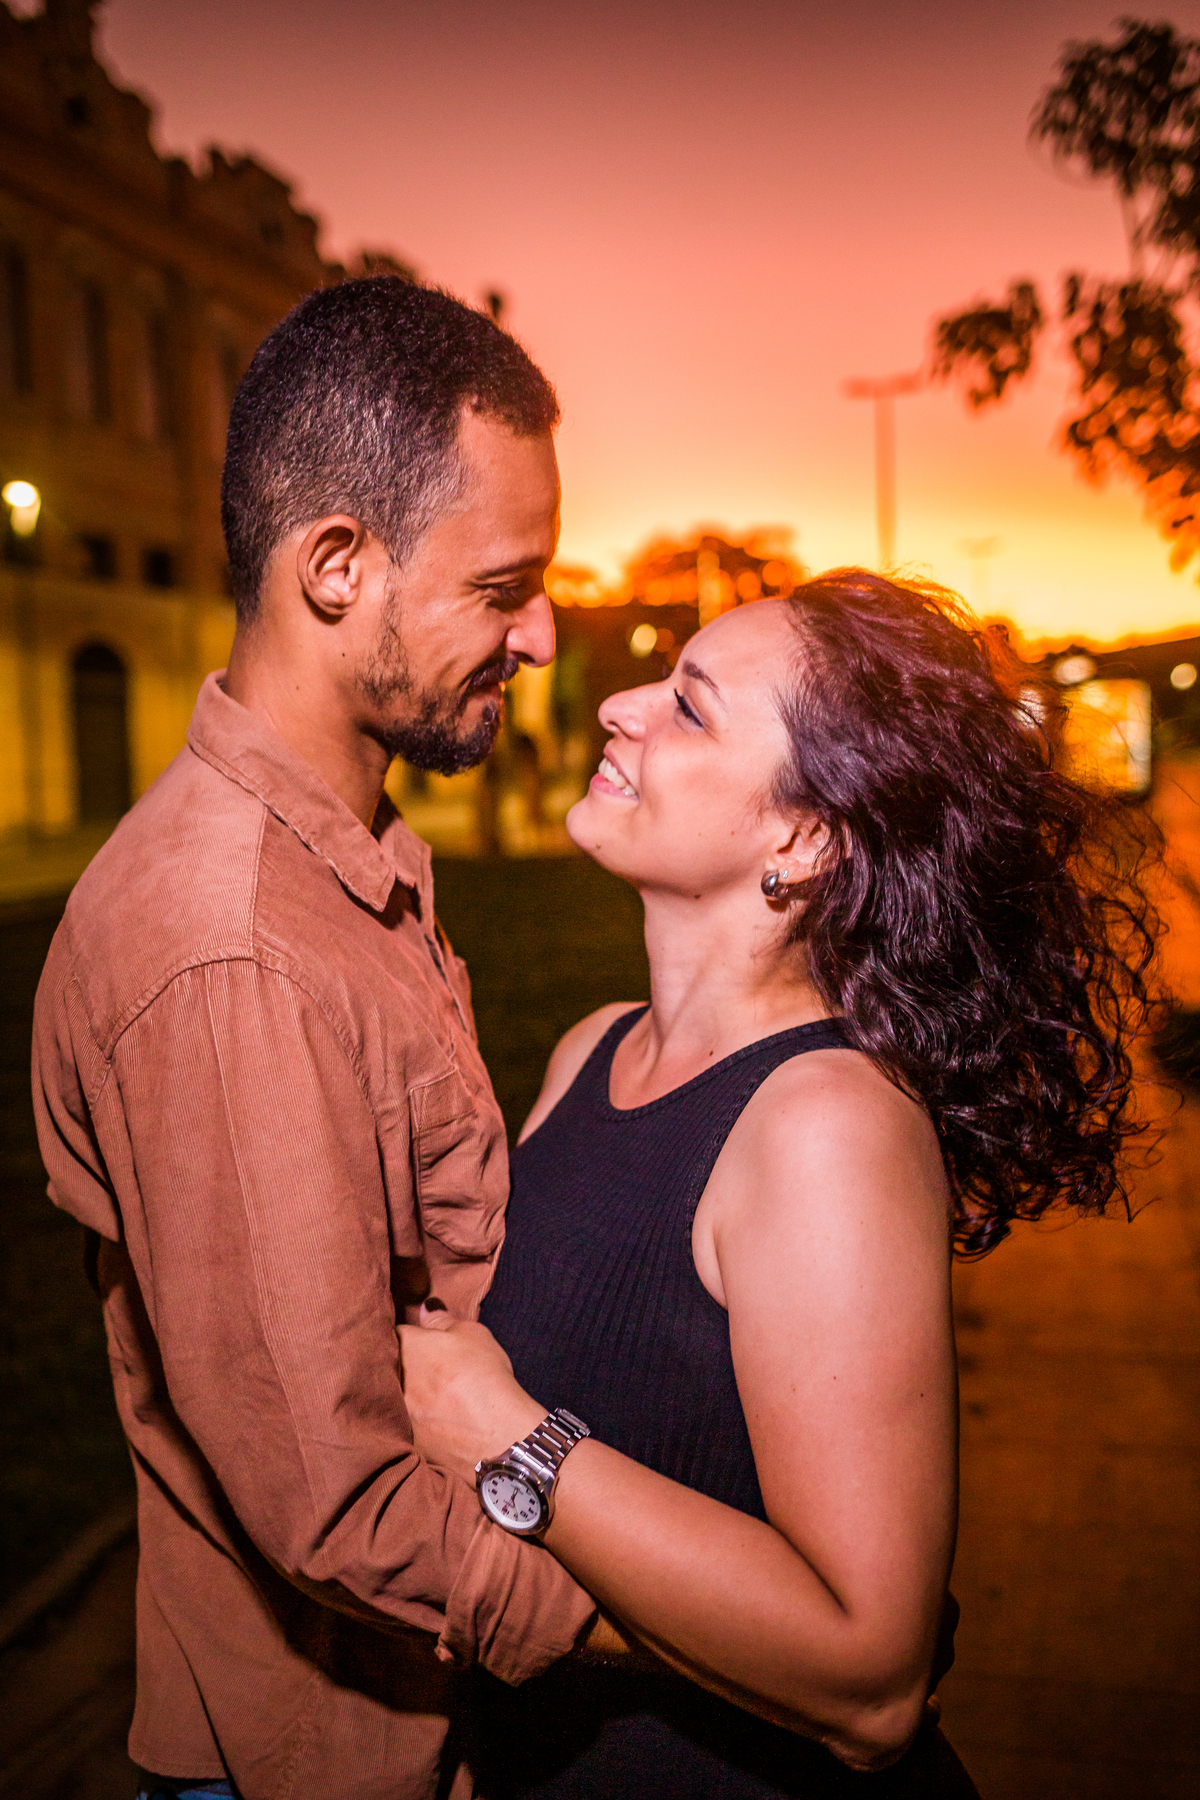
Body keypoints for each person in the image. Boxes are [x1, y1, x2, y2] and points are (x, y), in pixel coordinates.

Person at [400, 572, 1154, 1798]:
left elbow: (871, 1673)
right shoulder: (590, 1050)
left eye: (690, 708)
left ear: (803, 841)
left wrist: (509, 1440)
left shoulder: (825, 1123)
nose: (622, 710)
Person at [31, 277, 606, 1800]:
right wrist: (668, 1616)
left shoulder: (333, 871)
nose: (542, 636)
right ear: (337, 566)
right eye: (503, 588)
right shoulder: (236, 953)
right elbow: (334, 1495)